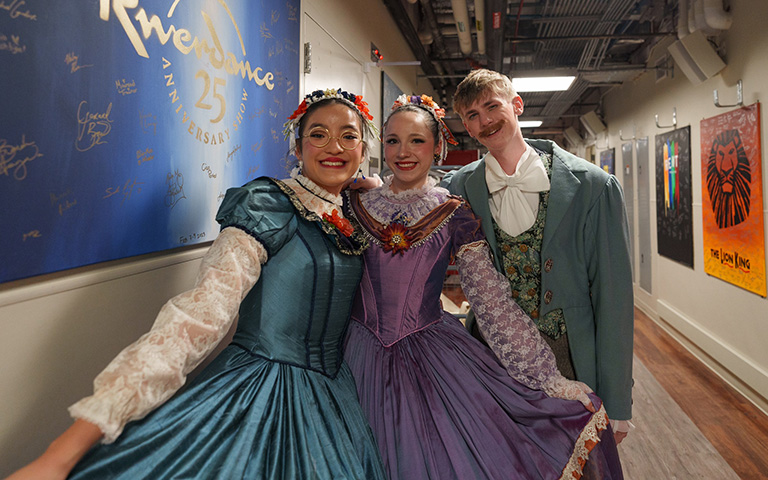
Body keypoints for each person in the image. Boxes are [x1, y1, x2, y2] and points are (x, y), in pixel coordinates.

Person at [7, 89, 386, 480]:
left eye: (349, 135)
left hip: (335, 400)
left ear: (363, 148)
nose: (334, 147)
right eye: (319, 134)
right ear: (297, 145)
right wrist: (63, 451)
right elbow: (197, 317)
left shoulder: (352, 212)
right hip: (261, 394)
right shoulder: (268, 204)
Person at [343, 94, 624, 479]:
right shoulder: (354, 203)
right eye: (392, 140)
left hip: (431, 358)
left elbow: (491, 302)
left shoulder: (454, 212)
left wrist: (549, 378)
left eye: (417, 140)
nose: (403, 152)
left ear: (438, 146)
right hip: (352, 354)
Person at [442, 68, 634, 442]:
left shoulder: (594, 186)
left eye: (492, 107)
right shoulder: (458, 186)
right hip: (490, 353)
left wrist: (618, 403)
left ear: (517, 105)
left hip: (569, 356)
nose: (485, 121)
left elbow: (614, 299)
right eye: (472, 116)